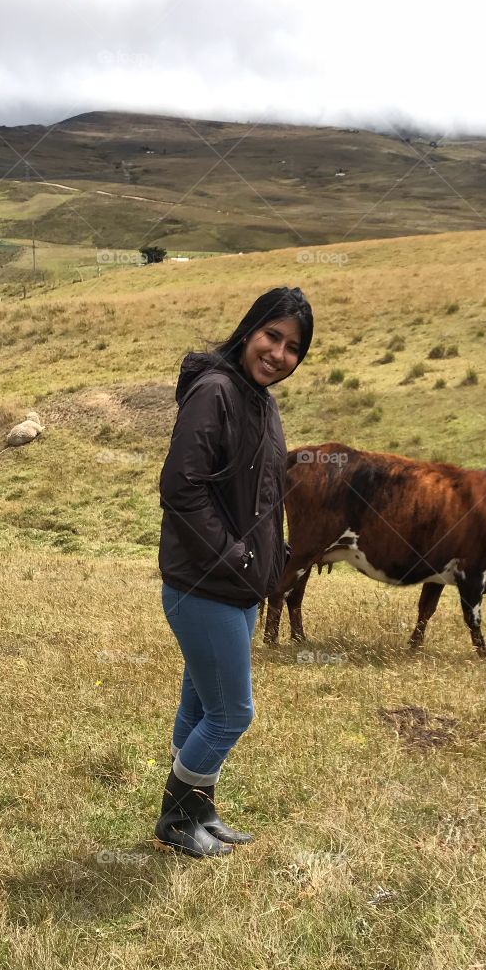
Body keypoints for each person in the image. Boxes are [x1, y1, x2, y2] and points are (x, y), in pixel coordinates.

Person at [156, 286, 314, 857]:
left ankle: (199, 810)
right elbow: (180, 489)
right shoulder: (216, 391)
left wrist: (273, 552)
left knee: (200, 703)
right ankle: (175, 819)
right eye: (272, 336)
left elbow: (262, 492)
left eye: (293, 347)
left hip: (240, 584)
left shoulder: (260, 399)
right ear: (250, 329)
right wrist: (235, 556)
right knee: (231, 713)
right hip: (203, 585)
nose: (278, 353)